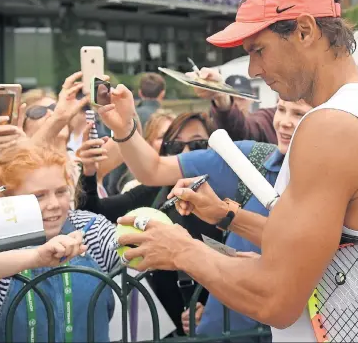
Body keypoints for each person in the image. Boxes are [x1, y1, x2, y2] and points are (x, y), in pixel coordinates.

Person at [99, 0, 358, 342]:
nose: (253, 69)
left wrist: (181, 249)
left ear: (305, 30)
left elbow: (277, 299)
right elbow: (323, 242)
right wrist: (229, 217)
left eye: (258, 49)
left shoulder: (333, 125)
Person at [83, 81, 310, 338]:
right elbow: (153, 169)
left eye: (299, 114)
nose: (284, 122)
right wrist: (123, 127)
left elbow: (296, 250)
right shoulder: (254, 159)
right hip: (220, 332)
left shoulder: (334, 184)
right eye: (281, 110)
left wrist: (221, 222)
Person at [0, 145, 119, 343]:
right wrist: (34, 258)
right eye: (38, 196)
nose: (53, 204)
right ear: (4, 200)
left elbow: (141, 249)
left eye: (61, 192)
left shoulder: (90, 229)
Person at [193, 68, 277, 144]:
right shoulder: (210, 127)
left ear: (252, 98)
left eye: (241, 99)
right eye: (231, 98)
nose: (236, 103)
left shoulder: (265, 121)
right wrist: (222, 98)